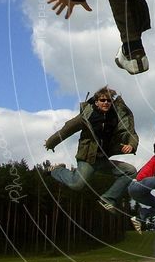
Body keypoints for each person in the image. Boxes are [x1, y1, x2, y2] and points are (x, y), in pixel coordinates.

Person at [43, 86, 139, 214]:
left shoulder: (115, 118)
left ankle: (108, 199)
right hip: (88, 159)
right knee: (77, 185)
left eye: (109, 101)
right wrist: (51, 142)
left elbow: (130, 133)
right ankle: (57, 170)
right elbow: (67, 129)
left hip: (103, 159)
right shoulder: (87, 116)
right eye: (103, 100)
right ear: (96, 102)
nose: (106, 103)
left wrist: (131, 145)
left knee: (130, 171)